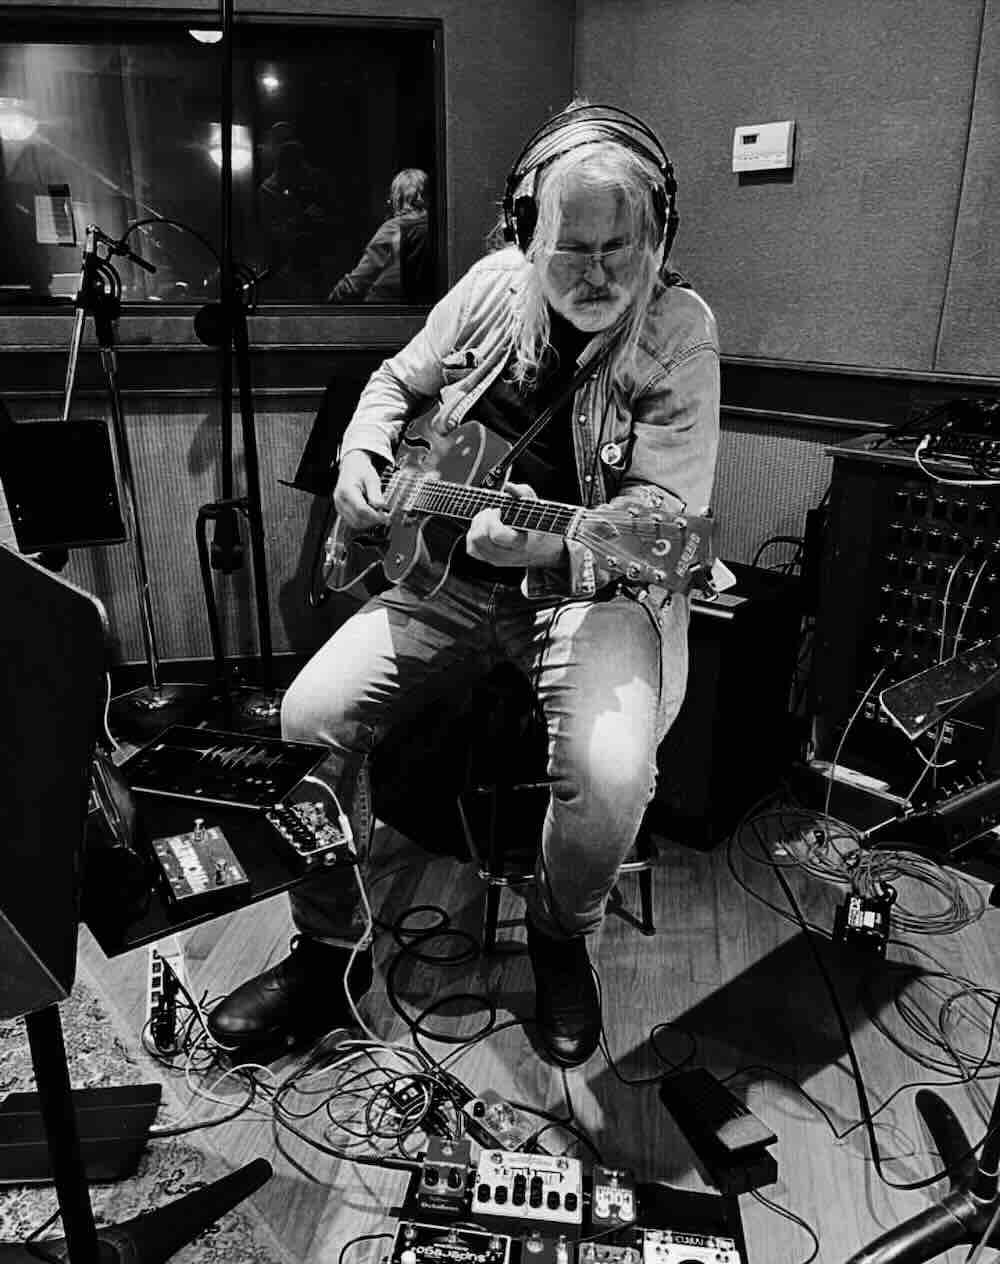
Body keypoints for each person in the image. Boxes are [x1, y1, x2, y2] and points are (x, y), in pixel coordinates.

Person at [207, 102, 720, 1068]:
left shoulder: (682, 335)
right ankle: (325, 948)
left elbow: (669, 525)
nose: (602, 273)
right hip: (444, 580)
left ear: (660, 236)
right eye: (574, 248)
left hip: (594, 591)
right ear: (527, 234)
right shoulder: (488, 288)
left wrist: (556, 554)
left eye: (626, 246)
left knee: (613, 777)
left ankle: (560, 936)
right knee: (306, 715)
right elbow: (395, 385)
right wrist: (364, 456)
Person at [327, 167, 434, 304]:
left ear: (397, 198)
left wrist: (329, 304)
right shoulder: (439, 230)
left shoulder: (394, 228)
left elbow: (357, 282)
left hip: (384, 312)